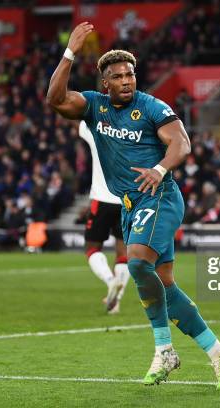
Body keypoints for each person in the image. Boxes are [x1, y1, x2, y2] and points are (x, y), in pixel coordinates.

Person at [47, 22, 220, 390]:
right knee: (164, 285)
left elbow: (181, 144)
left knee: (136, 262)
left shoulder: (151, 106)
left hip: (161, 196)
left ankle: (164, 349)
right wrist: (70, 52)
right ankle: (217, 351)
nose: (126, 80)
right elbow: (55, 99)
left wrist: (159, 166)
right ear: (105, 83)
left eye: (130, 74)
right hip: (131, 204)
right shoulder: (95, 106)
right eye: (117, 76)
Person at [78, 120, 131, 314]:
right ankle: (115, 301)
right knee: (123, 253)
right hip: (126, 200)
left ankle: (110, 281)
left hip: (101, 198)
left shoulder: (95, 131)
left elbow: (78, 117)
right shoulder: (131, 133)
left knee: (92, 247)